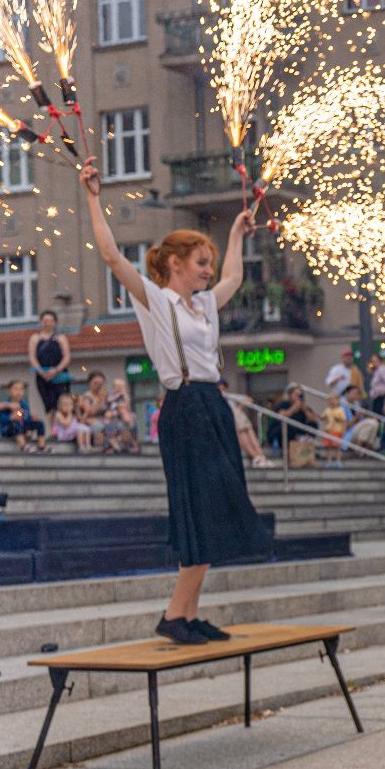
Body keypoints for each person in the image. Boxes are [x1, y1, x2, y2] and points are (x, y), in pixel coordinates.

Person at [82, 155, 269, 646]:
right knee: (199, 507)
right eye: (200, 263)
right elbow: (110, 256)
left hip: (212, 405)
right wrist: (93, 198)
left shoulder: (204, 302)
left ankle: (186, 614)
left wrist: (234, 235)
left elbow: (232, 279)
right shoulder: (155, 299)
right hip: (183, 408)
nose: (208, 271)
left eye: (208, 263)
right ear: (175, 264)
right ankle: (173, 615)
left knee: (213, 509)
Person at [217, 379, 274, 469]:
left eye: (223, 386)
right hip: (229, 423)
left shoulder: (229, 396)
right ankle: (257, 456)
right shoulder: (215, 399)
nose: (221, 388)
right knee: (240, 425)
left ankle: (260, 456)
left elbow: (248, 399)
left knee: (249, 432)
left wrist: (239, 408)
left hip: (238, 421)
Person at [27, 310, 72, 418]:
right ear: (41, 322)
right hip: (43, 376)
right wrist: (42, 372)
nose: (48, 323)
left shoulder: (60, 338)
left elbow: (67, 357)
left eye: (51, 321)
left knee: (62, 403)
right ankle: (53, 431)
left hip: (60, 375)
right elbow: (32, 357)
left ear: (55, 322)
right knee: (49, 406)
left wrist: (56, 370)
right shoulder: (35, 338)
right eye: (45, 321)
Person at [0, 379, 48, 452]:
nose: (19, 392)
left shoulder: (24, 404)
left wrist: (31, 418)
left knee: (39, 423)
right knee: (16, 423)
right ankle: (23, 445)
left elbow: (26, 417)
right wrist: (11, 417)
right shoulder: (5, 405)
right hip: (8, 429)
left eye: (21, 389)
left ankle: (42, 445)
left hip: (22, 427)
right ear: (9, 391)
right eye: (16, 389)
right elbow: (0, 419)